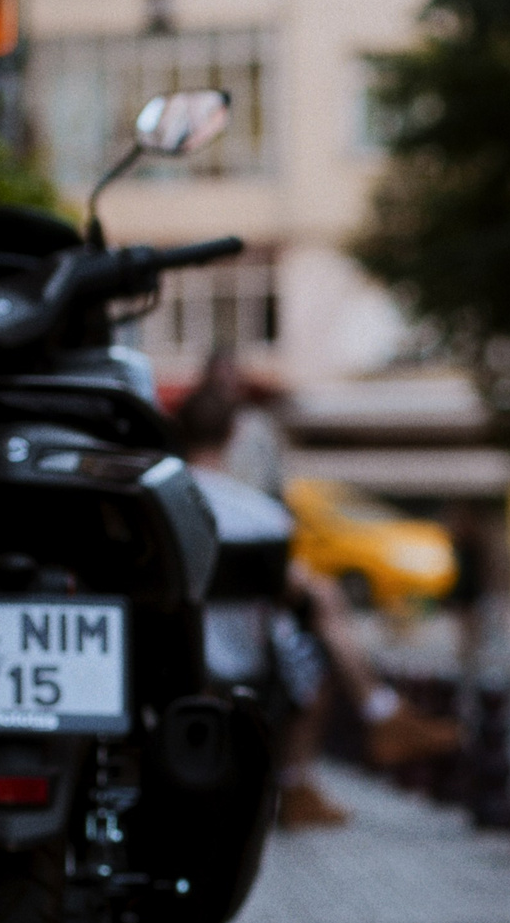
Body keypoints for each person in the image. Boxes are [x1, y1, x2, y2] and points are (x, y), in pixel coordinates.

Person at [176, 352, 460, 828]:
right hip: (249, 658)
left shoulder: (163, 507)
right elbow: (297, 591)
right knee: (317, 638)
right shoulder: (262, 515)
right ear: (233, 435)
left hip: (171, 657)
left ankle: (376, 718)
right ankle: (325, 758)